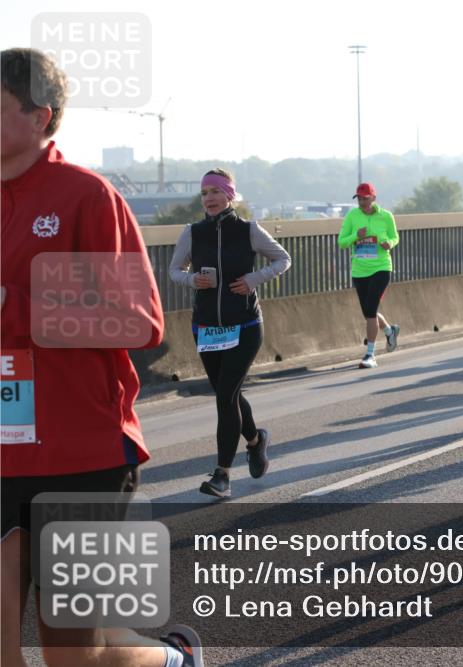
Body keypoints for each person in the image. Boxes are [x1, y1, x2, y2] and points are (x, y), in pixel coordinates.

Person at [1, 47, 203, 667]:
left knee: (74, 658)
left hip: (82, 453)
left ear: (40, 116)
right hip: (4, 449)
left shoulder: (86, 196)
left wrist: (16, 307)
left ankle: (173, 660)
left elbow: (140, 323)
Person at [169, 169, 291, 497]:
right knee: (229, 394)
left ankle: (222, 475)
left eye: (215, 192)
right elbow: (174, 270)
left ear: (229, 195)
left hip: (245, 326)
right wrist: (192, 280)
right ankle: (255, 441)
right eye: (204, 193)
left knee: (225, 396)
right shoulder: (192, 232)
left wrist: (253, 280)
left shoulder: (249, 230)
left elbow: (282, 259)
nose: (208, 198)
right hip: (207, 327)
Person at [338, 183, 401, 368]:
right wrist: (356, 236)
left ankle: (370, 355)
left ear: (373, 198)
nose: (361, 201)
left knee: (371, 309)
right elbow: (341, 242)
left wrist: (390, 243)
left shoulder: (386, 216)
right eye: (359, 198)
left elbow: (395, 237)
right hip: (360, 270)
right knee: (368, 313)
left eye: (365, 198)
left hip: (381, 267)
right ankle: (389, 331)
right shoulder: (352, 216)